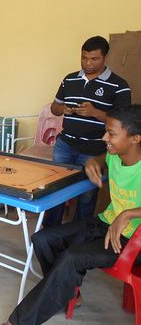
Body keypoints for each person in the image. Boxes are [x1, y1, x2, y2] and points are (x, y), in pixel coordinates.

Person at [0, 104, 141, 325]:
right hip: (105, 223)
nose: (105, 138)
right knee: (43, 239)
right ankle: (66, 293)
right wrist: (94, 161)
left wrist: (128, 214)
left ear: (135, 138)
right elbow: (103, 158)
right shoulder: (115, 156)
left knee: (71, 258)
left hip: (131, 241)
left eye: (111, 134)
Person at [45, 36, 131, 227]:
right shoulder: (69, 79)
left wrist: (95, 113)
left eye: (94, 59)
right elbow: (54, 108)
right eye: (84, 58)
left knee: (87, 196)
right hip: (65, 145)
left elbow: (124, 123)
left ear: (105, 57)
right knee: (55, 191)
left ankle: (79, 233)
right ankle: (50, 230)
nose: (88, 63)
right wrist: (64, 109)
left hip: (94, 151)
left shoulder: (119, 85)